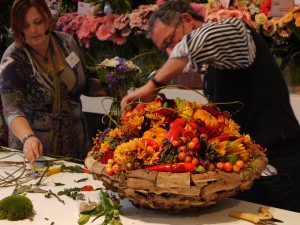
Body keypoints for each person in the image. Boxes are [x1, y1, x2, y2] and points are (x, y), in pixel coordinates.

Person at [121, 0, 300, 212]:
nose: (170, 52)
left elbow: (198, 40)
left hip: (280, 167)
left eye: (170, 41)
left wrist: (152, 85)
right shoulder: (216, 61)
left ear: (187, 20)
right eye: (164, 49)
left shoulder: (236, 32)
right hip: (252, 170)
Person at [0, 0, 108, 163]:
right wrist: (28, 137)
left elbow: (83, 83)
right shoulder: (13, 59)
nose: (33, 30)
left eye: (38, 22)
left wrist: (113, 87)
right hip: (37, 153)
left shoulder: (67, 43)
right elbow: (12, 109)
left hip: (77, 145)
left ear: (47, 20)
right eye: (26, 25)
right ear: (18, 28)